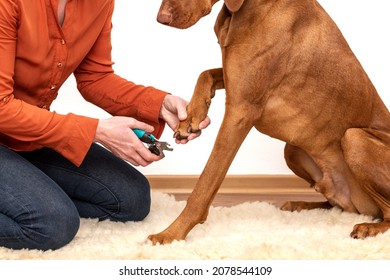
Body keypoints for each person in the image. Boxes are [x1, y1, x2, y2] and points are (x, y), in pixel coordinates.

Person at [0, 0, 210, 251]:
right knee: (51, 225)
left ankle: (30, 195)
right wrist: (96, 131)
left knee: (131, 198)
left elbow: (94, 77)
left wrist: (159, 104)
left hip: (27, 134)